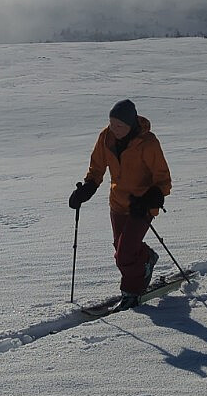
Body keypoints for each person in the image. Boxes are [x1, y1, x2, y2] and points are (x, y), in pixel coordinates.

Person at [69, 99, 172, 305]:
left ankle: (131, 292)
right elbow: (97, 168)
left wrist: (150, 199)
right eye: (112, 123)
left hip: (141, 205)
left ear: (131, 124)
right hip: (118, 203)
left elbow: (163, 180)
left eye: (119, 125)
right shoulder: (106, 137)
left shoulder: (148, 143)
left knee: (125, 254)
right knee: (121, 250)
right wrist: (87, 188)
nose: (114, 129)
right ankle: (146, 258)